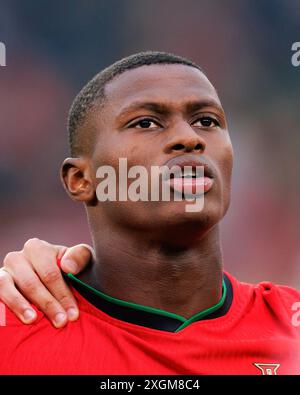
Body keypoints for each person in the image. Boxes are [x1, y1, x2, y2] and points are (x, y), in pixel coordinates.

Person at [0, 51, 299, 375]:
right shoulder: (14, 330)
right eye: (146, 123)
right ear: (81, 180)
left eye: (206, 121)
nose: (190, 138)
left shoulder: (291, 327)